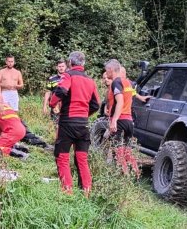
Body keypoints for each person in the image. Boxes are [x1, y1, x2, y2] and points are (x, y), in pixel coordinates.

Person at [51, 51, 100, 197]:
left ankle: (67, 192)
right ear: (83, 64)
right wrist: (85, 115)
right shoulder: (90, 81)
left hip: (67, 123)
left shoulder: (68, 75)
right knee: (82, 158)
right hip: (83, 125)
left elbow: (62, 89)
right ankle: (86, 192)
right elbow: (96, 104)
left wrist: (52, 103)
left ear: (70, 63)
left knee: (62, 156)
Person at [105, 60, 140, 178]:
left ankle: (124, 178)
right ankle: (136, 175)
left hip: (120, 120)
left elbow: (120, 101)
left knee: (118, 150)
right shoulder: (128, 83)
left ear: (110, 70)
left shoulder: (116, 82)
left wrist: (114, 120)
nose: (106, 73)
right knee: (127, 150)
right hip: (129, 121)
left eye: (106, 70)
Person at [43, 59, 67, 126]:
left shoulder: (69, 78)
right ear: (57, 67)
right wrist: (44, 106)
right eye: (59, 66)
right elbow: (48, 92)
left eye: (63, 66)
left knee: (65, 126)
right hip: (55, 106)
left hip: (65, 106)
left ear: (65, 67)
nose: (61, 68)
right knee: (55, 125)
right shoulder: (52, 79)